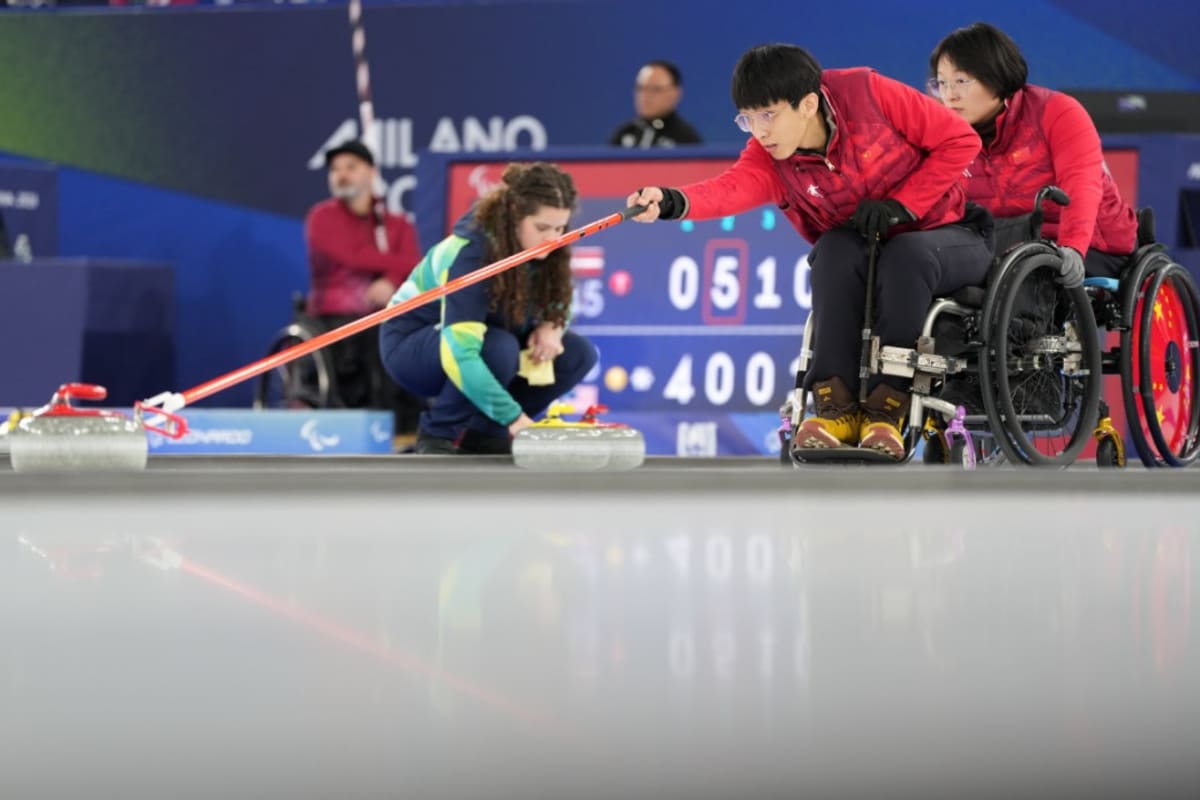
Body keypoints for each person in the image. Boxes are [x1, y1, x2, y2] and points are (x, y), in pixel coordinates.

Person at [626, 44, 993, 460]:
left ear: (808, 104)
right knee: (833, 250)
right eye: (748, 118)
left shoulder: (870, 93)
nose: (760, 131)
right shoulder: (770, 157)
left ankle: (888, 407)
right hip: (868, 248)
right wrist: (671, 201)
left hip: (950, 233)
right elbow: (729, 189)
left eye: (769, 115)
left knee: (905, 254)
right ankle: (833, 407)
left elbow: (960, 141)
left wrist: (902, 204)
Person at [379, 162, 597, 455]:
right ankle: (437, 435)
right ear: (513, 218)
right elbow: (460, 353)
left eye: (560, 228)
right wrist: (516, 418)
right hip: (410, 347)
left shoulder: (547, 247)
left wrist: (553, 327)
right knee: (498, 348)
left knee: (577, 354)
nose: (553, 239)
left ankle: (486, 434)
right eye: (542, 228)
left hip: (485, 337)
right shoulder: (472, 253)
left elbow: (558, 297)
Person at [928, 22, 1138, 284]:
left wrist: (1072, 247)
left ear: (997, 76)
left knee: (1023, 272)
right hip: (1006, 245)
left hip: (1090, 244)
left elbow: (1080, 186)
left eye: (961, 81)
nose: (950, 95)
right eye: (942, 83)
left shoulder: (1058, 112)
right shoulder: (944, 133)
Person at [305, 139, 423, 430]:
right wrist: (393, 263)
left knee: (408, 333)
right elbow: (351, 257)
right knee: (373, 336)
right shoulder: (322, 217)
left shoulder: (397, 224)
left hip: (386, 315)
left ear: (371, 173)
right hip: (334, 320)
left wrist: (391, 282)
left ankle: (409, 424)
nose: (341, 175)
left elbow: (415, 264)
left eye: (350, 167)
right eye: (335, 169)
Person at [609, 60, 703, 148]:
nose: (645, 96)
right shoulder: (624, 134)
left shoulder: (686, 140)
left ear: (675, 93)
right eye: (640, 88)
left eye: (655, 89)